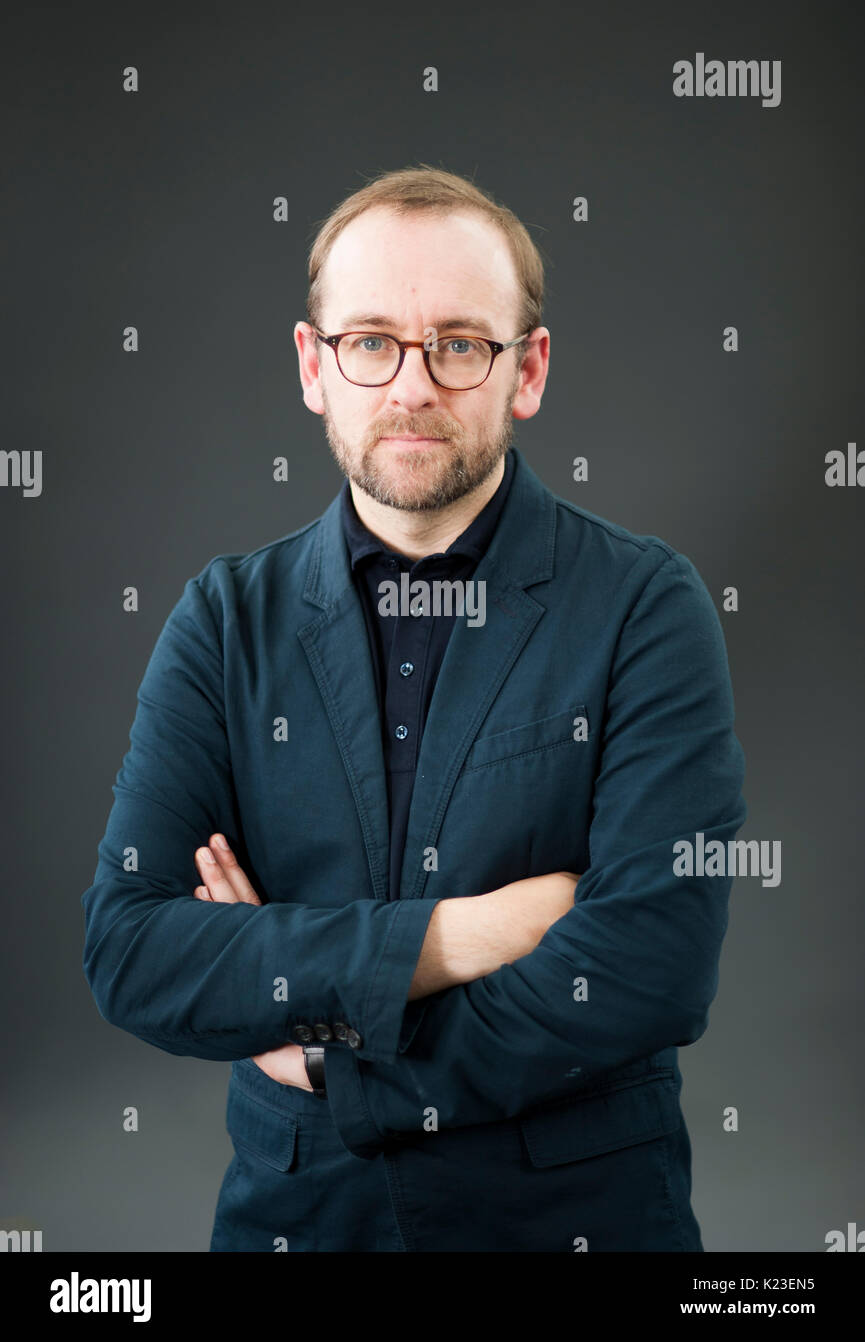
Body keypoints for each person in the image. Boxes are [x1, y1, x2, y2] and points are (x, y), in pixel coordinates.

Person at [81, 164, 746, 1252]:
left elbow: (650, 967)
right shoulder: (223, 619)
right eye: (371, 341)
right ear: (314, 366)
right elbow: (132, 950)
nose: (410, 385)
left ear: (525, 370)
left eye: (458, 344)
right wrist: (463, 934)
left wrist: (332, 1049)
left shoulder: (643, 604)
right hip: (298, 1224)